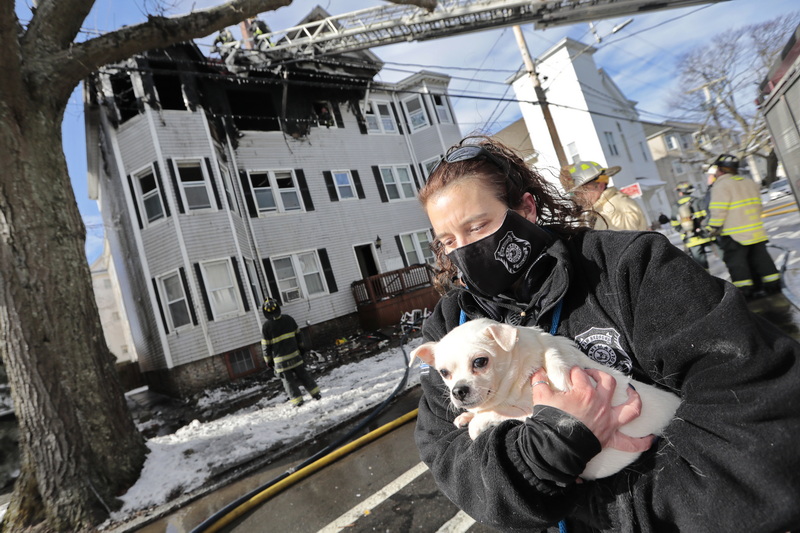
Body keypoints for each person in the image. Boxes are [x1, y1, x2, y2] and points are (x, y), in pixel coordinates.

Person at [413, 135, 800, 532]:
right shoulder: (450, 326)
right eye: (447, 241)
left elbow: (758, 406)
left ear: (526, 209)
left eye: (478, 226)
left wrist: (616, 509)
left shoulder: (630, 267)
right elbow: (451, 461)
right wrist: (542, 451)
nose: (464, 250)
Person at [705, 154, 781, 299]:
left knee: (738, 265)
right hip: (756, 232)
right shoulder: (749, 182)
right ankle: (773, 285)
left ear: (720, 170)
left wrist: (712, 228)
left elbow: (718, 211)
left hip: (735, 236)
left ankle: (746, 292)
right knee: (762, 260)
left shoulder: (721, 185)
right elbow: (759, 206)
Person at [261, 298, 321, 407]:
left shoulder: (266, 327)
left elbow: (266, 346)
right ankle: (315, 393)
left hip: (281, 362)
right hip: (295, 356)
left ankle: (297, 401)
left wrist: (268, 361)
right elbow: (298, 335)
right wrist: (302, 348)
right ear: (278, 308)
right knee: (303, 375)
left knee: (288, 381)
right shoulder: (288, 319)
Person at [561, 160, 648, 231]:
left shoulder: (614, 209)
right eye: (576, 193)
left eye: (584, 190)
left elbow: (625, 249)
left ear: (601, 185)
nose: (579, 197)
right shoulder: (600, 210)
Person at [668, 181, 714, 269]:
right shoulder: (698, 201)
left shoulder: (676, 206)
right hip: (705, 235)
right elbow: (708, 216)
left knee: (701, 265)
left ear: (680, 193)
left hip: (691, 239)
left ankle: (706, 281)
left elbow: (674, 224)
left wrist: (684, 231)